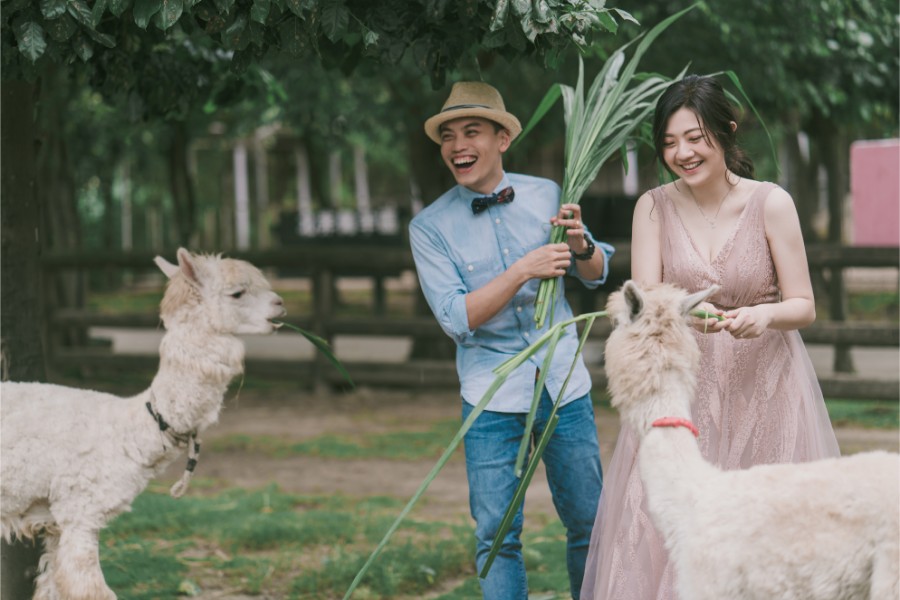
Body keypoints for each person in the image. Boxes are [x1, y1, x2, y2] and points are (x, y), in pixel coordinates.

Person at [580, 74, 841, 599]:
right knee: (671, 528)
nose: (683, 153)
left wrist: (766, 317)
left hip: (765, 389)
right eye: (671, 142)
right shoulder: (652, 207)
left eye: (695, 138)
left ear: (726, 130)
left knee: (767, 533)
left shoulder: (771, 203)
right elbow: (646, 302)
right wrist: (680, 317)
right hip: (685, 395)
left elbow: (804, 306)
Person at [409, 81, 616, 600]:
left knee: (591, 526)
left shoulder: (548, 191)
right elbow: (457, 318)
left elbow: (596, 270)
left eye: (472, 131)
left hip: (564, 385)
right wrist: (524, 270)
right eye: (449, 136)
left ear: (502, 138)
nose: (458, 145)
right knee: (496, 538)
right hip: (490, 397)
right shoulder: (428, 227)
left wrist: (580, 241)